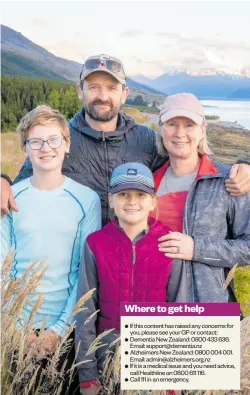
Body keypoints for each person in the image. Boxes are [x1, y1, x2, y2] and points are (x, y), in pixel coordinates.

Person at [1, 54, 250, 225]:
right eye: (94, 87)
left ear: (124, 94)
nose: (102, 96)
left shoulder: (146, 139)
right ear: (80, 91)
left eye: (111, 88)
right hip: (78, 260)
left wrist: (241, 166)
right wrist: (3, 181)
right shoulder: (61, 140)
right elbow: (25, 182)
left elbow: (189, 161)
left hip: (133, 260)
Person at [1, 105, 101, 394]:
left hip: (67, 328)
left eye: (54, 139)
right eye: (36, 141)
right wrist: (19, 328)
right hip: (14, 327)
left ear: (67, 144)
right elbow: (2, 269)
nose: (46, 148)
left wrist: (58, 330)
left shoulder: (86, 200)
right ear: (25, 148)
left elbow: (85, 273)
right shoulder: (10, 198)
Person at [75, 162, 175, 395]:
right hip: (107, 360)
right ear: (111, 200)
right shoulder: (95, 243)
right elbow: (85, 311)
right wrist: (87, 375)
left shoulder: (169, 242)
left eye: (141, 194)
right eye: (123, 194)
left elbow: (178, 307)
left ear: (153, 201)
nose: (132, 201)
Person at [154, 93, 250, 302]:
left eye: (189, 124)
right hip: (153, 310)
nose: (180, 133)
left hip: (208, 311)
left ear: (202, 130)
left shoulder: (229, 181)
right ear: (161, 129)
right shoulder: (148, 185)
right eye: (172, 124)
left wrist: (197, 248)